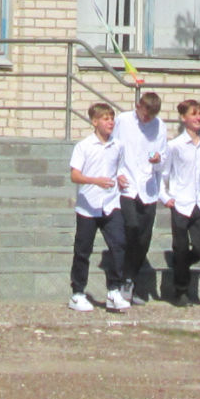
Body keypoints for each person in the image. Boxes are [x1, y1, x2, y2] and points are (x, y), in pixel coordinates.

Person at [160, 99, 200, 307]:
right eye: (193, 114)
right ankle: (180, 290)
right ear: (183, 118)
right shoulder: (174, 146)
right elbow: (163, 173)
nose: (198, 118)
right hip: (181, 203)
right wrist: (165, 197)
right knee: (180, 247)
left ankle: (180, 266)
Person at [68, 103, 130, 312]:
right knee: (83, 251)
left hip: (111, 204)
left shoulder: (118, 146)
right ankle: (77, 293)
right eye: (105, 119)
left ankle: (114, 290)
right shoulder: (84, 146)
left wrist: (120, 178)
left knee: (119, 244)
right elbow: (75, 175)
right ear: (95, 122)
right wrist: (95, 181)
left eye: (112, 118)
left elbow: (119, 168)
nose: (110, 122)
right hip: (88, 206)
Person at [113, 92, 168, 305]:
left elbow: (163, 158)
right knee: (131, 227)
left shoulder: (160, 126)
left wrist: (158, 160)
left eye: (151, 117)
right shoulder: (123, 120)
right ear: (138, 107)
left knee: (144, 238)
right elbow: (113, 147)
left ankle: (130, 279)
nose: (147, 120)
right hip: (127, 185)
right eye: (145, 115)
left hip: (148, 188)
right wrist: (116, 173)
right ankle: (121, 277)